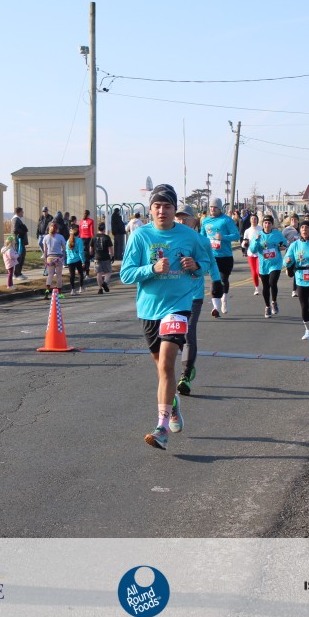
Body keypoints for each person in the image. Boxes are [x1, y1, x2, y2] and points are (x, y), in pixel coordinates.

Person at [120, 185, 211, 451]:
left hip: (179, 305)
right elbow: (126, 274)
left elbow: (205, 263)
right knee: (162, 368)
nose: (162, 211)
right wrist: (152, 268)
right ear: (150, 209)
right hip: (149, 309)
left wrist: (196, 266)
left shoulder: (190, 236)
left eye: (167, 206)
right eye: (157, 206)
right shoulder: (140, 236)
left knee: (168, 362)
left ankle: (161, 428)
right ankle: (173, 405)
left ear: (174, 209)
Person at [174, 204, 220, 397]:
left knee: (188, 332)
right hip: (172, 296)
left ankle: (185, 375)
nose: (181, 221)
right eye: (178, 218)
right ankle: (185, 362)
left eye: (185, 218)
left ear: (194, 221)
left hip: (194, 296)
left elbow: (211, 263)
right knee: (174, 336)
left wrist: (217, 282)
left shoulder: (202, 241)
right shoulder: (170, 240)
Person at [202, 197, 240, 317]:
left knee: (223, 280)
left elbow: (236, 235)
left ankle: (224, 299)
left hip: (225, 256)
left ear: (220, 208)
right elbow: (202, 236)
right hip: (212, 256)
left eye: (215, 207)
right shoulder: (205, 221)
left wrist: (223, 237)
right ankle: (215, 307)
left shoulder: (226, 220)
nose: (212, 209)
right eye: (211, 207)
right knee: (215, 280)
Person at [249, 214, 287, 319]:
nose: (267, 225)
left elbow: (284, 243)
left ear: (272, 224)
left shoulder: (277, 234)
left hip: (275, 263)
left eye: (269, 223)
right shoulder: (258, 235)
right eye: (265, 223)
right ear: (263, 224)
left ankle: (274, 302)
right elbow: (252, 250)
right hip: (264, 265)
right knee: (266, 286)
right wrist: (256, 241)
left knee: (272, 282)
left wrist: (282, 246)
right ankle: (267, 306)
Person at [41, 221, 67, 298]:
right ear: (57, 229)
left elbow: (45, 250)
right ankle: (60, 293)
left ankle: (47, 291)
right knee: (59, 275)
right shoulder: (60, 237)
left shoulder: (46, 237)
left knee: (50, 275)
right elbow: (64, 248)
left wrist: (45, 259)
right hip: (58, 257)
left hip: (49, 257)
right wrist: (63, 254)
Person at [241, 213, 262, 295]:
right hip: (251, 253)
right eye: (252, 219)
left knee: (258, 271)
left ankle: (263, 281)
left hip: (260, 253)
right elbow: (243, 243)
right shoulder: (247, 231)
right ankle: (256, 288)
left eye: (255, 219)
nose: (253, 220)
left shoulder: (261, 229)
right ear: (250, 220)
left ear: (257, 220)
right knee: (254, 272)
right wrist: (245, 244)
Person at [92, 222, 114, 293]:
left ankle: (100, 288)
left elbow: (90, 248)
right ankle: (105, 283)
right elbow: (110, 248)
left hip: (97, 257)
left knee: (99, 273)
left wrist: (92, 254)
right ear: (104, 229)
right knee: (108, 272)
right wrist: (112, 256)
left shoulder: (94, 237)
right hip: (106, 257)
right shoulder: (107, 237)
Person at [65, 226, 87, 295]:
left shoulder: (68, 241)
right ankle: (81, 287)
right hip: (77, 259)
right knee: (81, 273)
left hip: (70, 260)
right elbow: (81, 252)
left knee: (72, 275)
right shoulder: (79, 240)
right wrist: (83, 261)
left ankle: (73, 290)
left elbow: (67, 251)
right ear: (78, 234)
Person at [11, 207, 30, 280]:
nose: (23, 213)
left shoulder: (18, 219)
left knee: (22, 256)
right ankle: (16, 274)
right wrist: (23, 230)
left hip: (20, 241)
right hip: (18, 241)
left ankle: (19, 272)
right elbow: (15, 230)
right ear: (18, 212)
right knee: (19, 257)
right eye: (22, 211)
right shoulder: (15, 219)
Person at [79, 209, 95, 276]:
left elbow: (80, 231)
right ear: (89, 214)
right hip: (88, 239)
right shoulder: (91, 221)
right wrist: (93, 240)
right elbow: (91, 232)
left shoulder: (81, 221)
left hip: (82, 239)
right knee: (87, 256)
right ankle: (87, 272)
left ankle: (82, 271)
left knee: (82, 255)